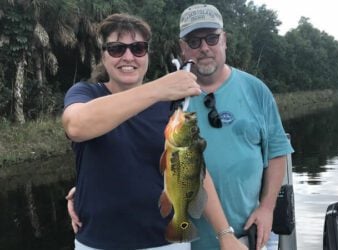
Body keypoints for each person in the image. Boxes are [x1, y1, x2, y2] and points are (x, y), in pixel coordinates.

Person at [62, 13, 246, 250]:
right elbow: (76, 126)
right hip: (98, 242)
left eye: (138, 48)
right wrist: (159, 88)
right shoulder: (85, 94)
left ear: (147, 54)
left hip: (167, 241)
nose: (128, 57)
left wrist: (225, 234)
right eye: (117, 49)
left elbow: (194, 169)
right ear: (104, 56)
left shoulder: (169, 105)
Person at [177, 4, 294, 250]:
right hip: (190, 241)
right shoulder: (169, 96)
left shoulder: (256, 89)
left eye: (211, 38)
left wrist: (267, 208)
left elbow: (277, 150)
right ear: (183, 48)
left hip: (251, 235)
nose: (204, 48)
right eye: (194, 41)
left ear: (224, 40)